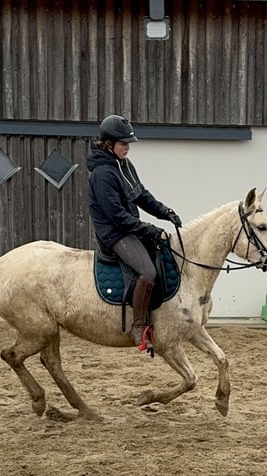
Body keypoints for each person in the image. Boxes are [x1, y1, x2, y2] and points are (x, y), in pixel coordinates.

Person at [86, 114, 183, 350]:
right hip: (114, 233)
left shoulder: (124, 166)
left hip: (128, 227)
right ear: (108, 144)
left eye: (128, 143)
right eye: (123, 143)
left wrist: (165, 212)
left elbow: (141, 195)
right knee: (148, 273)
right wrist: (149, 229)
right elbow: (117, 216)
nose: (127, 148)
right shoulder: (102, 174)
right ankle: (138, 326)